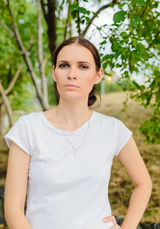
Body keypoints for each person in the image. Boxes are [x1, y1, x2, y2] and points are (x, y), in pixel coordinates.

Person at [4, 36, 152, 229]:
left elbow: (144, 184)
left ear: (98, 75)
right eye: (64, 65)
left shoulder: (113, 129)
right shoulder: (28, 128)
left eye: (83, 66)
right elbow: (13, 210)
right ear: (54, 72)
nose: (72, 74)